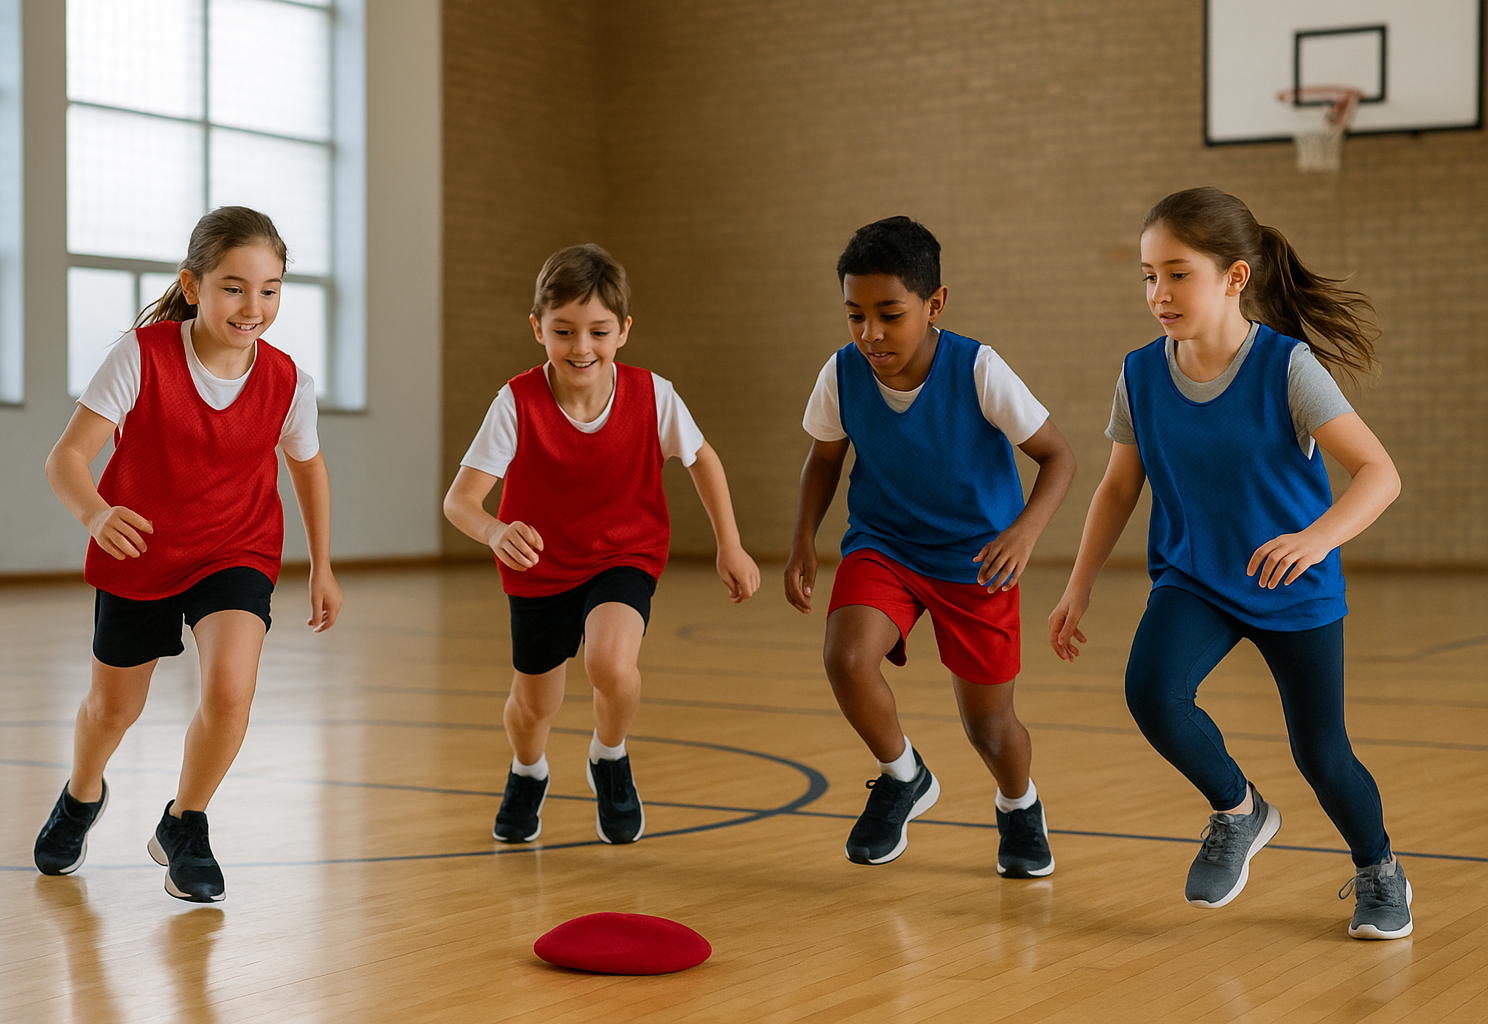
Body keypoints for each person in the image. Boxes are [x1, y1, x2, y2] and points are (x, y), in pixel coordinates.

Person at [1047, 186, 1410, 939]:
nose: (1159, 293)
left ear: (1234, 277)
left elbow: (1379, 474)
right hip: (1197, 578)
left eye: (1177, 273)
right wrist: (1077, 585)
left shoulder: (1287, 368)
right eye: (1148, 275)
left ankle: (1380, 870)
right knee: (1151, 691)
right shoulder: (1141, 374)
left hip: (1292, 585)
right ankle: (1239, 809)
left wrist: (1316, 539)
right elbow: (1119, 486)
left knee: (1323, 755)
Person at [34, 207, 342, 902]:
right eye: (235, 287)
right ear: (194, 285)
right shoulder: (142, 354)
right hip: (140, 550)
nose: (253, 306)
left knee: (231, 689)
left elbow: (309, 469)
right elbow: (66, 458)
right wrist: (95, 510)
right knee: (113, 710)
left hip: (235, 548)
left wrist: (322, 564)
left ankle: (186, 821)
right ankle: (82, 796)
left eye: (270, 289)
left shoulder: (289, 380)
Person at [785, 216, 1075, 874]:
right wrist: (803, 539)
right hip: (883, 545)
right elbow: (824, 460)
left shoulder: (978, 369)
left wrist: (1024, 531)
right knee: (846, 656)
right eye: (855, 314)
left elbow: (1058, 457)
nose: (870, 333)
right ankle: (901, 775)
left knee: (989, 728)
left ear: (934, 303)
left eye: (889, 314)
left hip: (976, 560)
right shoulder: (842, 372)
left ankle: (1018, 803)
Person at [444, 243, 760, 846]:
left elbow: (702, 459)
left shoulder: (653, 395)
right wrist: (495, 530)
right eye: (563, 331)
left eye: (598, 331)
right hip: (540, 568)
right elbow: (460, 500)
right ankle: (527, 769)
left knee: (611, 665)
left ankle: (609, 758)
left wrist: (731, 545)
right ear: (538, 328)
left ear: (623, 332)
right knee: (535, 705)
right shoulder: (516, 402)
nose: (581, 347)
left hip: (624, 554)